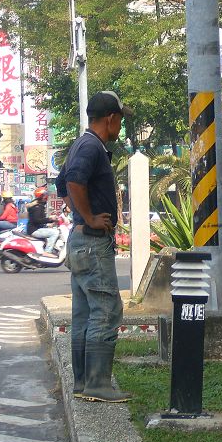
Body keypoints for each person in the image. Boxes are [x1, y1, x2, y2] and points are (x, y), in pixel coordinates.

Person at [56, 90, 133, 403]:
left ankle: (83, 383)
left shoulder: (80, 143)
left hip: (80, 241)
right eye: (120, 121)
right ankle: (98, 384)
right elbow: (73, 180)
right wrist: (88, 217)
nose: (120, 128)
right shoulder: (92, 147)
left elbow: (62, 184)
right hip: (91, 242)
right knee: (106, 309)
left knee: (84, 314)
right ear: (111, 119)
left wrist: (77, 215)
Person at [26, 186, 59, 258]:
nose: (47, 197)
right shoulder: (37, 207)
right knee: (55, 233)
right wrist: (50, 219)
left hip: (36, 228)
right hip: (34, 230)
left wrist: (50, 222)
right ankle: (47, 252)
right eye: (45, 195)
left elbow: (40, 220)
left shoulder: (39, 205)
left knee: (55, 230)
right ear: (42, 196)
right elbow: (37, 220)